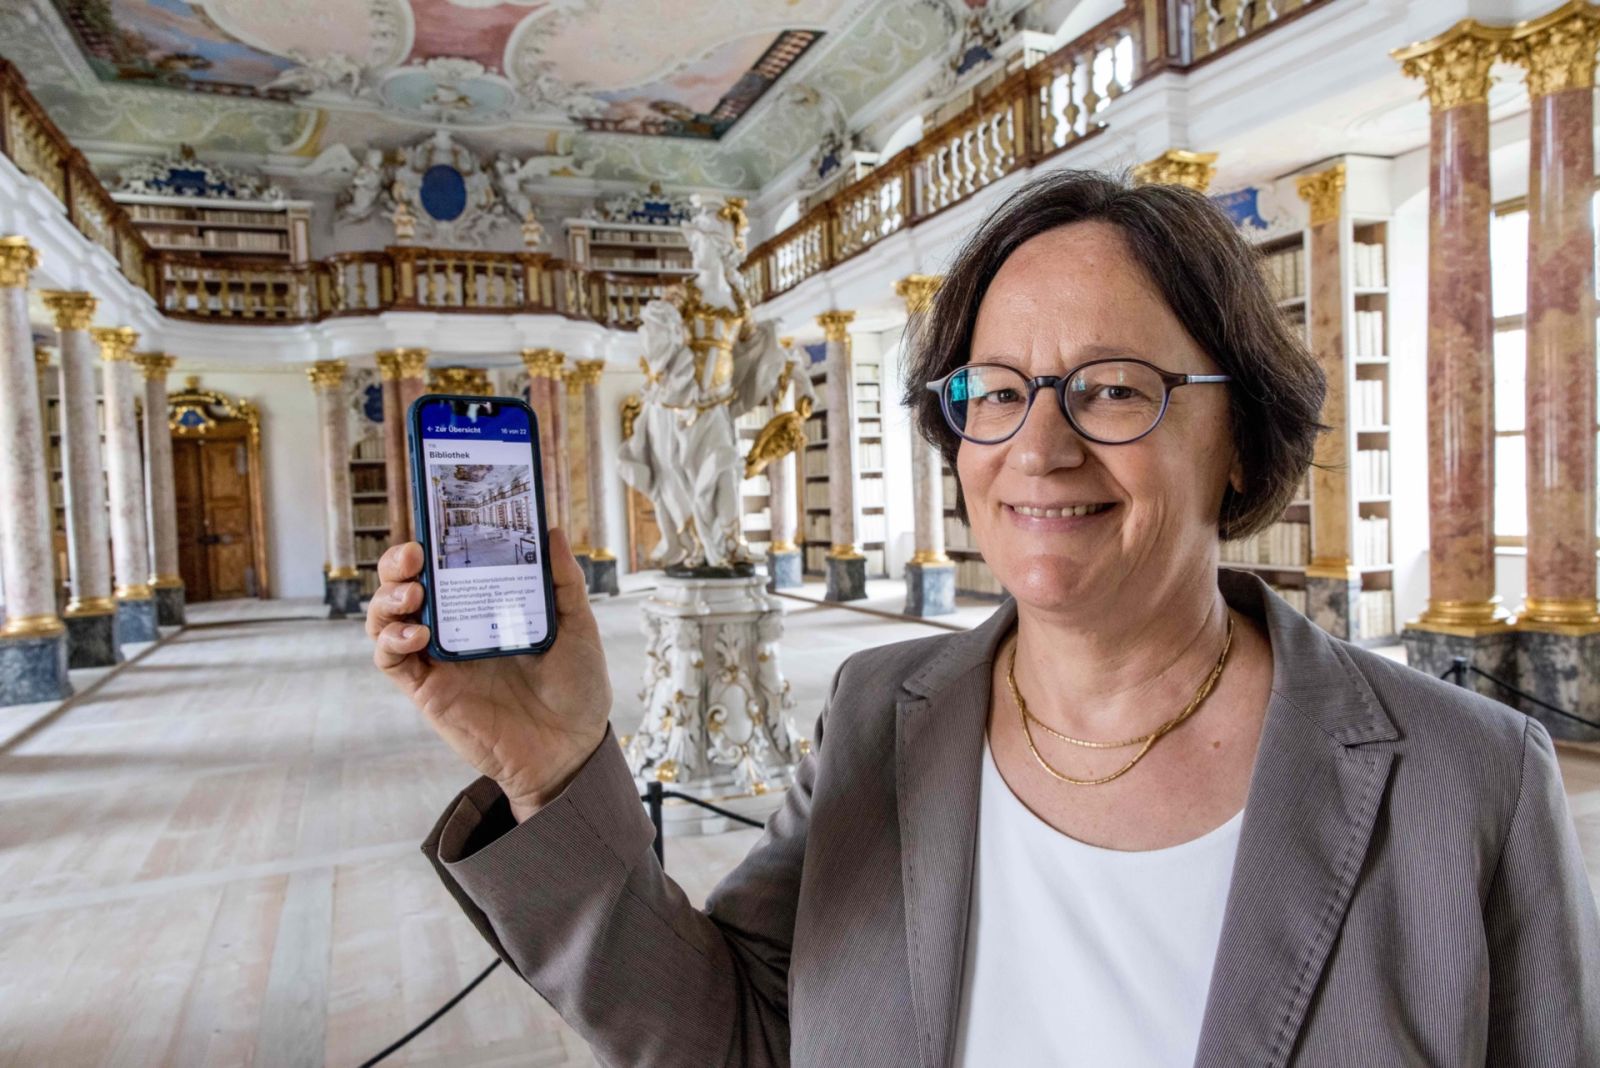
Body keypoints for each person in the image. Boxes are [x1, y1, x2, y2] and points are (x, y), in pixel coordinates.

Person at [367, 170, 1600, 1066]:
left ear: (1240, 438)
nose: (1038, 449)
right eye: (995, 393)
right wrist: (554, 768)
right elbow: (734, 1034)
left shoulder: (1467, 780)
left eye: (1112, 389)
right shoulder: (880, 720)